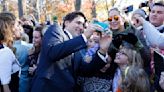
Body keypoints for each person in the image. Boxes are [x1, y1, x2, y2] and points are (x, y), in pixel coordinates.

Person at [31, 11, 112, 92]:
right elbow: (53, 52)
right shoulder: (55, 30)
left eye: (83, 25)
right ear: (66, 23)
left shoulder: (78, 46)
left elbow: (86, 70)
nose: (81, 27)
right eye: (78, 23)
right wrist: (84, 37)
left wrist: (102, 50)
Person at [0, 12, 20, 92]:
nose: (18, 28)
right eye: (17, 25)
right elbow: (5, 86)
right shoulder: (5, 52)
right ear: (9, 27)